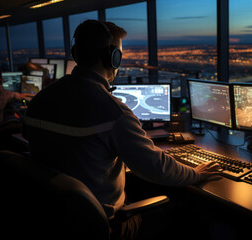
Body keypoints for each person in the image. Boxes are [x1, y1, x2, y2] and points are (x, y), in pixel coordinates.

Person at [22, 20, 220, 239]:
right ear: (113, 58)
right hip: (104, 227)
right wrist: (195, 173)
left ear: (75, 53)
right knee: (188, 210)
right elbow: (157, 167)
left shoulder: (40, 100)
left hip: (53, 219)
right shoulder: (113, 111)